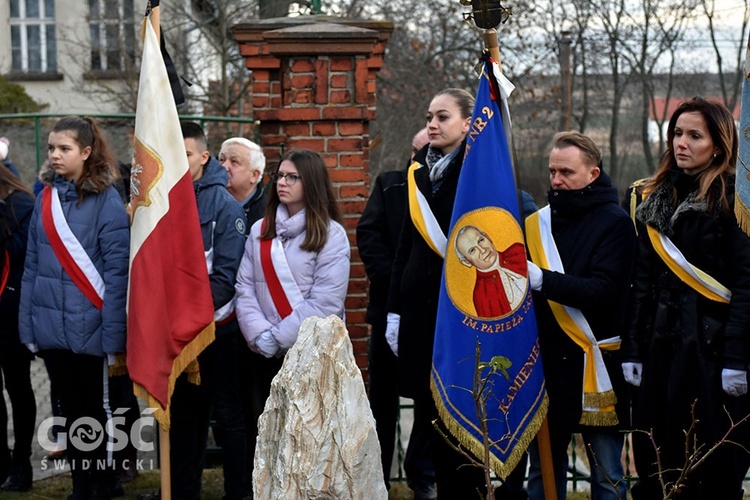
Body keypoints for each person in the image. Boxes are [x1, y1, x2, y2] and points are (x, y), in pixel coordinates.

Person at [621, 97, 750, 500]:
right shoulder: (651, 197)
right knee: (659, 462)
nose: (682, 143)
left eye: (695, 135)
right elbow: (641, 284)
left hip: (710, 354)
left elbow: (747, 285)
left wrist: (736, 360)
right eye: (677, 133)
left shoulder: (736, 200)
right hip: (661, 351)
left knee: (712, 467)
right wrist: (633, 350)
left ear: (718, 143)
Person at [18, 116, 130, 500]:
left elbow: (118, 274)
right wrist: (28, 327)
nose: (55, 155)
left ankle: (102, 485)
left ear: (86, 152)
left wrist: (114, 335)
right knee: (69, 415)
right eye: (51, 148)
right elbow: (33, 264)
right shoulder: (45, 197)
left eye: (64, 148)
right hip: (52, 329)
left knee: (95, 415)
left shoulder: (108, 200)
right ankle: (81, 487)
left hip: (93, 329)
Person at [525, 131, 635, 500]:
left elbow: (604, 292)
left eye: (566, 172)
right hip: (546, 366)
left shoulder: (615, 222)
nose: (556, 180)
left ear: (593, 173)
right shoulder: (538, 223)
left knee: (606, 474)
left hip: (594, 363)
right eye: (552, 171)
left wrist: (544, 280)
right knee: (543, 472)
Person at [235, 148, 350, 495]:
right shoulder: (259, 231)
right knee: (265, 440)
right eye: (280, 176)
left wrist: (278, 338)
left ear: (310, 182)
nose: (282, 182)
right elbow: (244, 288)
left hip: (309, 357)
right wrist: (260, 337)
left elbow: (325, 302)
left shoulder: (332, 235)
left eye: (292, 177)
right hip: (261, 355)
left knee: (308, 444)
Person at [356, 127, 438, 498]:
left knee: (428, 402)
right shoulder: (389, 185)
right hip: (387, 309)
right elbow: (369, 236)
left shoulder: (443, 188)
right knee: (382, 402)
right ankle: (378, 478)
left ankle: (421, 475)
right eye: (417, 150)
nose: (420, 158)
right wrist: (396, 283)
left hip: (429, 316)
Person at [168, 122, 248, 500]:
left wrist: (185, 315)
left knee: (228, 418)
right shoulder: (161, 198)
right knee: (183, 419)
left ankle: (238, 492)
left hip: (216, 332)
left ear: (203, 157)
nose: (177, 162)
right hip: (176, 333)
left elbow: (225, 277)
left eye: (184, 155)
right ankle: (183, 491)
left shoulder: (225, 206)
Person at [0, 166, 35, 492]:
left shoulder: (21, 204)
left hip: (12, 314)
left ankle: (22, 464)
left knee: (19, 389)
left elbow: (22, 255)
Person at [454, 224, 527, 318]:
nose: (482, 250)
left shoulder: (518, 250)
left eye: (481, 240)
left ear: (487, 237)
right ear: (466, 262)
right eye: (472, 250)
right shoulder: (480, 296)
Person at [219, 137, 268, 225]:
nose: (224, 167)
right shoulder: (206, 202)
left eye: (234, 161)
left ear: (254, 175)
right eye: (222, 160)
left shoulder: (269, 213)